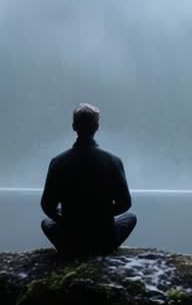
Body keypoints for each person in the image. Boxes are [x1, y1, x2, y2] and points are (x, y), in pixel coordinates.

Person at [39, 103, 137, 256]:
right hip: (104, 239)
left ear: (74, 127)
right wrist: (101, 215)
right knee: (131, 218)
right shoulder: (113, 161)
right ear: (97, 127)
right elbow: (125, 204)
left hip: (70, 239)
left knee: (46, 223)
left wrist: (68, 219)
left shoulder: (58, 162)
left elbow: (47, 206)